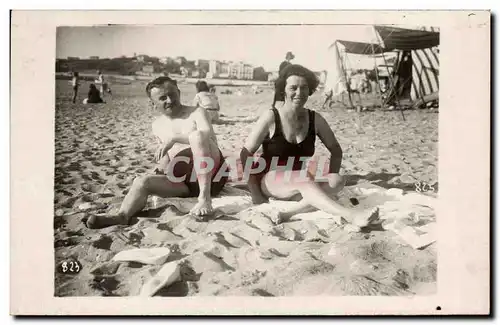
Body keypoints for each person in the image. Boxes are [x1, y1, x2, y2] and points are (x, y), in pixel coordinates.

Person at [240, 64, 379, 230]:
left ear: (310, 90)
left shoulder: (314, 119)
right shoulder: (272, 116)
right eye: (293, 88)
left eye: (304, 88)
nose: (299, 93)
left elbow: (335, 150)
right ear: (283, 90)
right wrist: (255, 191)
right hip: (270, 180)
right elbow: (245, 153)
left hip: (300, 181)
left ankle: (288, 214)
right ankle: (350, 215)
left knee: (337, 180)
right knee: (303, 177)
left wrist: (333, 171)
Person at [86, 76, 227, 229]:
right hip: (184, 183)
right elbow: (165, 157)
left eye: (172, 94)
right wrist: (158, 171)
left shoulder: (197, 112)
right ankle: (122, 216)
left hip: (212, 174)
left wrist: (174, 138)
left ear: (179, 93)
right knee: (142, 181)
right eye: (162, 98)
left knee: (197, 135)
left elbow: (206, 134)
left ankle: (205, 199)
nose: (169, 100)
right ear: (153, 104)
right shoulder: (157, 125)